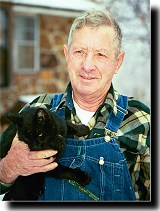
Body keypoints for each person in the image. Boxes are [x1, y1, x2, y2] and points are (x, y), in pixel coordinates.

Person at [0, 9, 150, 201]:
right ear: (67, 55)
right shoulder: (37, 109)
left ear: (118, 62)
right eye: (80, 52)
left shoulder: (142, 120)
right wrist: (8, 168)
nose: (87, 66)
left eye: (100, 55)